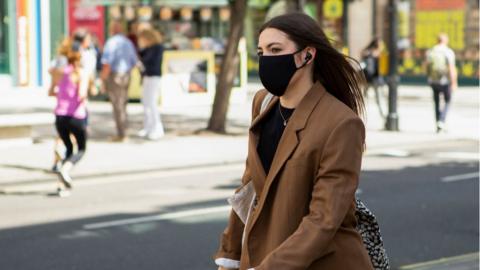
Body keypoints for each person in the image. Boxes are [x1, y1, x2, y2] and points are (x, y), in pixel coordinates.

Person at [215, 13, 373, 270]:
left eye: (275, 49)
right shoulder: (263, 103)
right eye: (261, 51)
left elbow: (324, 219)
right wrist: (229, 257)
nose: (266, 59)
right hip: (264, 256)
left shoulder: (341, 124)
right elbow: (249, 187)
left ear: (307, 56)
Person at [51, 37, 89, 196]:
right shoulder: (81, 73)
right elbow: (82, 95)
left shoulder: (59, 72)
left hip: (60, 116)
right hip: (76, 116)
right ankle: (65, 169)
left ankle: (61, 185)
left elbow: (51, 91)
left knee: (67, 148)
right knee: (81, 149)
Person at [100, 20, 138, 142]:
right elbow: (134, 62)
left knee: (117, 105)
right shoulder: (128, 42)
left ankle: (121, 133)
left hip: (115, 75)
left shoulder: (111, 42)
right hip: (126, 75)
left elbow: (107, 63)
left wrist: (102, 79)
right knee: (123, 103)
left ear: (112, 29)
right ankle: (124, 130)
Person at [425, 33, 458, 133]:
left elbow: (426, 66)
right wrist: (454, 82)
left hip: (433, 81)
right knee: (447, 100)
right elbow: (451, 68)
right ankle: (442, 120)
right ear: (445, 41)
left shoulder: (431, 51)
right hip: (444, 81)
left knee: (436, 102)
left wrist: (429, 78)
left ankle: (438, 123)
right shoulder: (448, 51)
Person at [137, 28, 165, 140]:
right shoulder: (148, 48)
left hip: (154, 77)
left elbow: (148, 61)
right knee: (146, 102)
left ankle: (157, 128)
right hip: (147, 77)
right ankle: (148, 127)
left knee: (152, 103)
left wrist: (141, 62)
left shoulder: (158, 48)